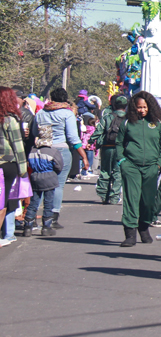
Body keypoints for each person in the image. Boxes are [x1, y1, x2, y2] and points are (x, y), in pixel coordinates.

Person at [30, 88, 90, 231]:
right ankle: (52, 217)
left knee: (39, 184)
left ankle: (32, 217)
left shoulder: (41, 113)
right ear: (65, 99)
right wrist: (84, 156)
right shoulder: (67, 114)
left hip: (43, 151)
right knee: (57, 185)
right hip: (61, 151)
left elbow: (34, 132)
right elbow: (73, 138)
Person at [117, 91, 161, 247]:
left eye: (145, 107)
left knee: (148, 201)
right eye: (139, 107)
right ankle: (130, 233)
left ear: (150, 107)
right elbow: (119, 143)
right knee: (131, 199)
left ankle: (144, 226)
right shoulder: (127, 123)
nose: (142, 110)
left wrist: (158, 164)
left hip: (151, 167)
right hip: (131, 166)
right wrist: (122, 161)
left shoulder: (160, 123)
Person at [23, 126, 64, 237]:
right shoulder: (53, 151)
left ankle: (28, 227)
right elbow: (59, 166)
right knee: (48, 203)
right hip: (49, 177)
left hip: (35, 177)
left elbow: (30, 164)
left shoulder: (32, 150)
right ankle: (46, 227)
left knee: (33, 203)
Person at [0, 87, 28, 246]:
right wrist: (23, 170)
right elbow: (18, 146)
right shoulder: (9, 120)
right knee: (2, 202)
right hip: (6, 163)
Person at [90, 95, 128, 205]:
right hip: (121, 149)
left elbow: (99, 131)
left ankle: (103, 195)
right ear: (126, 106)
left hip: (107, 147)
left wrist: (90, 141)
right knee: (118, 172)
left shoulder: (107, 117)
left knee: (105, 171)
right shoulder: (128, 119)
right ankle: (114, 197)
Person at [79, 112, 97, 178]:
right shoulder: (93, 129)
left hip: (83, 145)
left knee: (84, 159)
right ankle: (87, 171)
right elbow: (94, 138)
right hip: (90, 146)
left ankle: (82, 171)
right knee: (90, 160)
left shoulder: (84, 128)